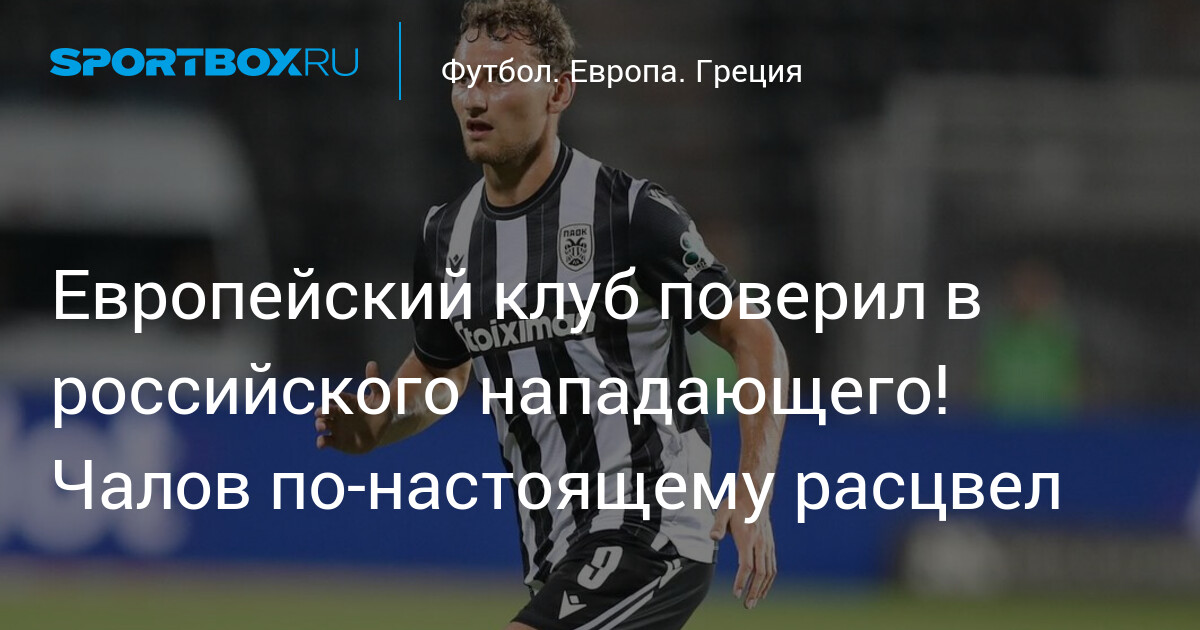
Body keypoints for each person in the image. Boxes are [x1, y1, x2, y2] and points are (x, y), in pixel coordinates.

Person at [314, 1, 788, 628]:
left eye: (499, 79)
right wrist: (377, 426)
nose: (473, 99)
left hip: (653, 531)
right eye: (461, 78)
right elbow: (443, 372)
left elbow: (755, 337)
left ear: (558, 91)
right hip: (556, 552)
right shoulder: (446, 235)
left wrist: (751, 490)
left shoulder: (628, 212)